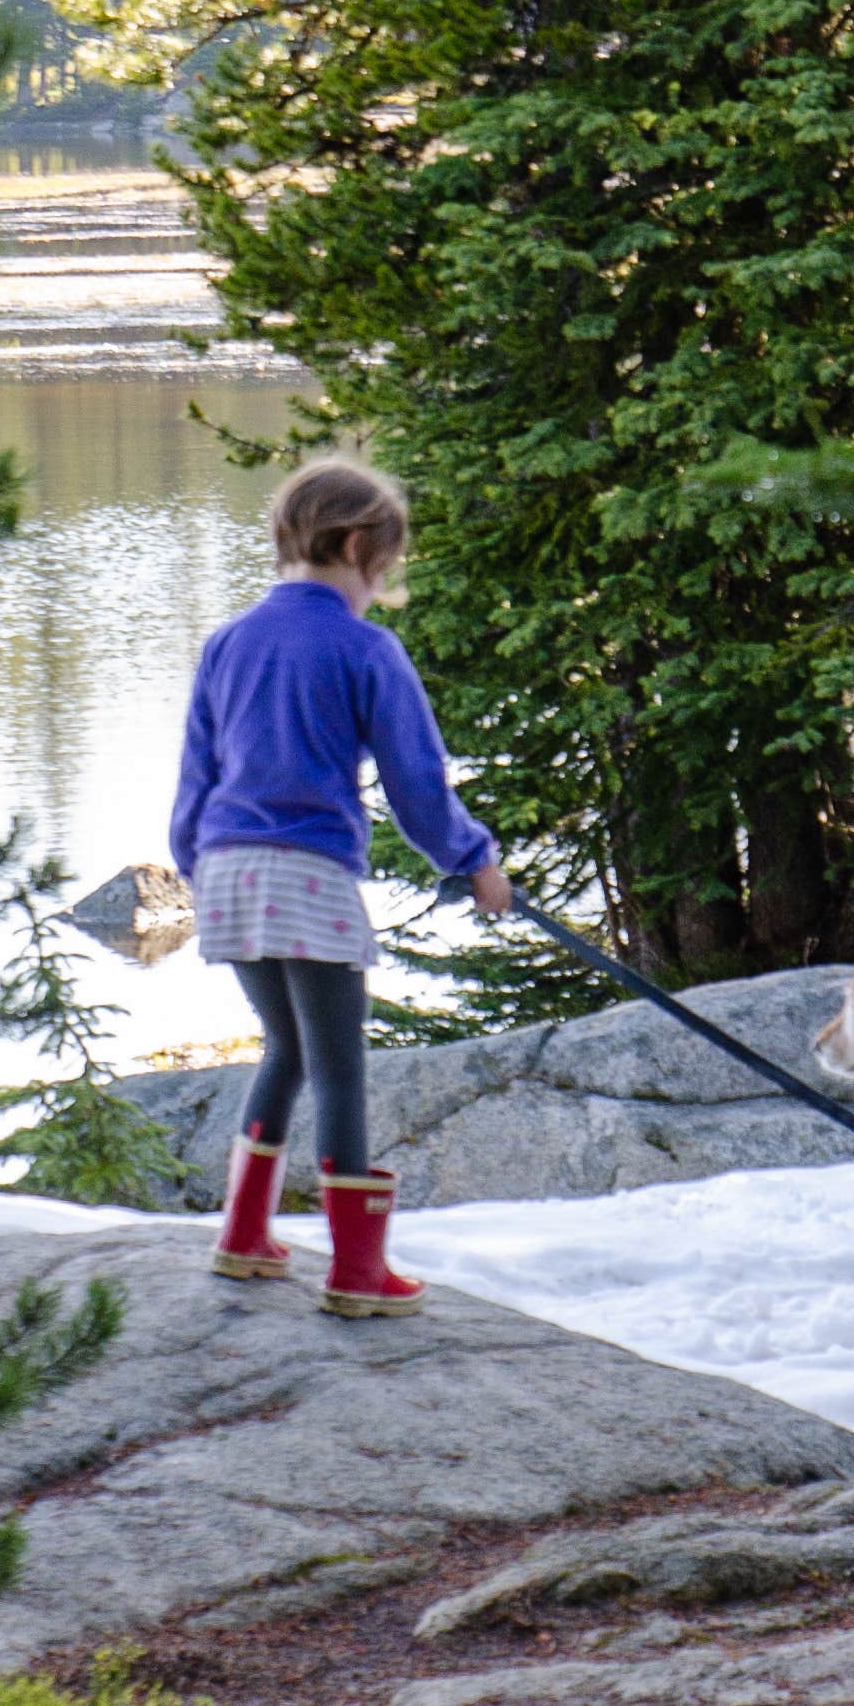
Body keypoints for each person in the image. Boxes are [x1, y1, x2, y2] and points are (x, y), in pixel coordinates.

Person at [169, 454, 510, 1316]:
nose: (378, 590)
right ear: (357, 544)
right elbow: (416, 784)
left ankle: (245, 1238)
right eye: (382, 573)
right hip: (306, 875)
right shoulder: (364, 647)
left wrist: (195, 864)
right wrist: (473, 860)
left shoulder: (228, 641)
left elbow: (195, 778)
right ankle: (358, 1272)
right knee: (341, 1069)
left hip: (226, 873)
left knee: (284, 1048)